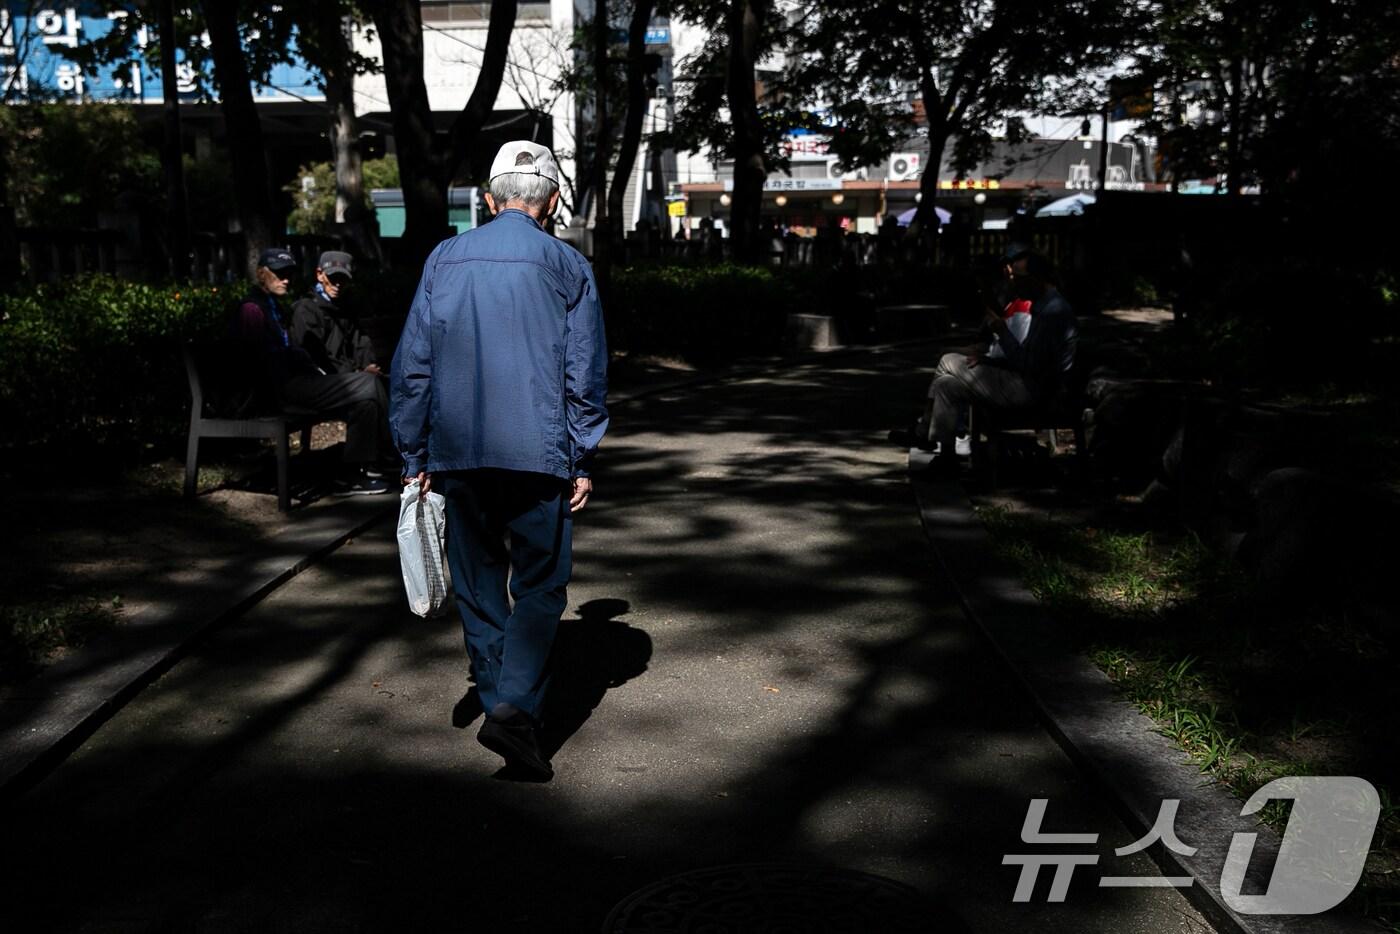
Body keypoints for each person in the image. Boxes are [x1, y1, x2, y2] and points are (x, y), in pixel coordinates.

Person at [389, 141, 609, 781]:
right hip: (541, 453)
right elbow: (584, 372)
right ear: (553, 201)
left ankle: (501, 704)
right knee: (541, 586)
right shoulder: (568, 266)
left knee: (481, 588)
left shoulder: (444, 258)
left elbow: (414, 367)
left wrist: (414, 452)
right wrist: (582, 453)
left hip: (459, 453)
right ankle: (514, 707)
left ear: (489, 199)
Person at [229, 247, 392, 495]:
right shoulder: (253, 309)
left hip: (297, 383)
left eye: (289, 274)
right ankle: (393, 453)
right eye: (279, 274)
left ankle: (350, 475)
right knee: (368, 384)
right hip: (282, 391)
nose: (286, 279)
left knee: (365, 403)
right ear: (262, 274)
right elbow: (254, 363)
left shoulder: (273, 306)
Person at [913, 246, 1077, 475]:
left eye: (1019, 279)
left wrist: (1002, 332)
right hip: (1027, 381)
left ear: (1035, 279)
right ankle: (946, 457)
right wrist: (991, 361)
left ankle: (923, 432)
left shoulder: (1052, 312)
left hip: (1034, 389)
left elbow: (1030, 365)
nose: (1015, 285)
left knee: (948, 361)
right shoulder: (1043, 306)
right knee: (945, 385)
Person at [289, 250, 381, 377]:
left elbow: (360, 342)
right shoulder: (306, 309)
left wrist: (368, 364)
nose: (338, 284)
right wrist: (355, 372)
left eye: (343, 279)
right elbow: (316, 355)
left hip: (347, 376)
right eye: (333, 278)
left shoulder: (346, 308)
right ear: (320, 275)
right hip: (322, 379)